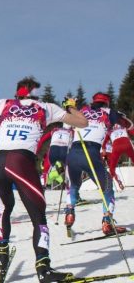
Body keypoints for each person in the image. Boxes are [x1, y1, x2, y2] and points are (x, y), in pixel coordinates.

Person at [0, 77, 88, 283]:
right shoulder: (47, 107)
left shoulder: (4, 104)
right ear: (35, 93)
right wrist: (71, 107)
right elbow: (83, 122)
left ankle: (2, 255)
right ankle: (44, 268)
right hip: (20, 161)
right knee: (38, 215)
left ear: (18, 93)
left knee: (6, 207)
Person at [65, 92, 131, 235]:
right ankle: (107, 222)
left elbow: (68, 126)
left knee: (74, 185)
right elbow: (128, 125)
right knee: (107, 188)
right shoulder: (110, 112)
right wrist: (120, 117)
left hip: (74, 152)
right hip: (91, 152)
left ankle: (69, 211)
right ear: (107, 102)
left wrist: (70, 107)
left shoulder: (82, 111)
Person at [37, 123, 73, 187]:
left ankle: (44, 185)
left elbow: (42, 140)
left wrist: (37, 149)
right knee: (69, 169)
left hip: (53, 149)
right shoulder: (72, 131)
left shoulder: (54, 130)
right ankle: (70, 188)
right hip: (65, 150)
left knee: (46, 169)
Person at [102, 118, 134, 190]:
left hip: (115, 148)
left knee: (111, 168)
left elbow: (104, 144)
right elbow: (132, 131)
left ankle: (115, 182)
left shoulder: (109, 130)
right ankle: (117, 181)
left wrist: (104, 151)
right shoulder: (123, 126)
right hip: (126, 144)